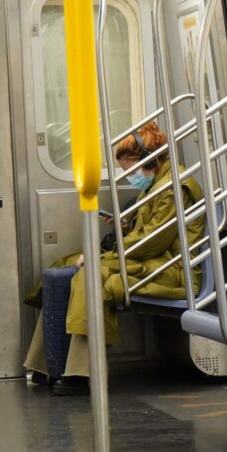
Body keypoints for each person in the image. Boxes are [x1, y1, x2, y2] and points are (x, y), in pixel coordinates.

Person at [23, 121, 205, 395]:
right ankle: (47, 364)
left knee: (92, 277)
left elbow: (154, 241)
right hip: (150, 261)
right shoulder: (157, 184)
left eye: (130, 170)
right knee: (64, 268)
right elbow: (149, 233)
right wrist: (126, 227)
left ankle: (82, 371)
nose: (129, 177)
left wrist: (113, 251)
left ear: (150, 159)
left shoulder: (174, 188)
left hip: (171, 269)